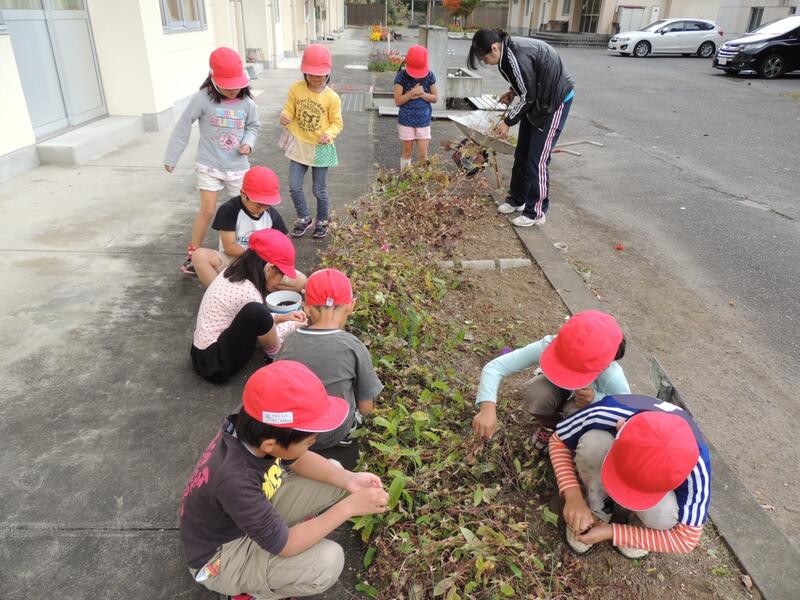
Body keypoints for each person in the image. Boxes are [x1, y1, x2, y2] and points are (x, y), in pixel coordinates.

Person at [180, 361, 390, 598]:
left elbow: (297, 459)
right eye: (309, 441)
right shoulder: (235, 478)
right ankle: (253, 591)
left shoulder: (256, 422)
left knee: (335, 473)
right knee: (327, 562)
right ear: (271, 445)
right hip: (221, 557)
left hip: (243, 516)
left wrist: (349, 479)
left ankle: (271, 537)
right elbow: (287, 545)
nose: (313, 444)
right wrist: (350, 507)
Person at [549, 395, 711, 558]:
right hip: (607, 444)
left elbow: (687, 539)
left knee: (666, 513)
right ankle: (595, 509)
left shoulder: (697, 464)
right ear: (621, 427)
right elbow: (558, 439)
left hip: (659, 500)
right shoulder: (609, 411)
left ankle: (641, 526)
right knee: (593, 443)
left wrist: (614, 532)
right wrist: (573, 497)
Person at [471, 310, 629, 453]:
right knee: (537, 392)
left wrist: (595, 398)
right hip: (556, 393)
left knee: (575, 412)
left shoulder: (610, 375)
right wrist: (487, 408)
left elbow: (625, 408)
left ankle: (570, 441)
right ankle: (550, 426)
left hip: (580, 407)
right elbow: (495, 368)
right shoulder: (550, 346)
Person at [164, 47, 259, 274]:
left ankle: (241, 253)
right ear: (214, 80)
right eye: (227, 87)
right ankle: (193, 255)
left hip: (237, 167)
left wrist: (248, 142)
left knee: (244, 212)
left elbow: (253, 126)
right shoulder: (203, 99)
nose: (233, 91)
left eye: (237, 86)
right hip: (210, 165)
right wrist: (172, 156)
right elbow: (183, 124)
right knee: (207, 211)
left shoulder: (247, 103)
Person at [467, 29, 574, 227]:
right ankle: (517, 199)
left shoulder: (515, 56)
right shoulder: (504, 57)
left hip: (554, 101)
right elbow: (526, 82)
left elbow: (529, 96)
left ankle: (536, 212)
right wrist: (512, 92)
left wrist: (508, 122)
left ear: (494, 47)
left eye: (484, 59)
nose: (485, 63)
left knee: (538, 160)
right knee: (522, 154)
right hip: (538, 100)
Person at [277, 269, 383, 450]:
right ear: (351, 305)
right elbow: (366, 407)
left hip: (293, 434)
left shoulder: (289, 341)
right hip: (333, 431)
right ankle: (347, 432)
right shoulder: (353, 345)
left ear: (306, 307)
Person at [191, 229, 305, 384]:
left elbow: (246, 319)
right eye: (282, 274)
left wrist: (281, 317)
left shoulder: (231, 273)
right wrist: (291, 326)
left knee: (258, 313)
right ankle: (274, 355)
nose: (282, 280)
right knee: (259, 312)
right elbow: (263, 325)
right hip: (217, 365)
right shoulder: (248, 292)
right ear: (270, 269)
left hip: (202, 354)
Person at [190, 166, 307, 292]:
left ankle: (253, 287)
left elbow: (284, 244)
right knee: (199, 256)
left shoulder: (272, 215)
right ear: (243, 194)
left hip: (264, 265)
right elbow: (230, 247)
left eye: (267, 205)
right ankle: (221, 293)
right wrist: (258, 257)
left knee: (301, 281)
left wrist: (272, 266)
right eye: (258, 205)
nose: (262, 208)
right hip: (233, 261)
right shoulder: (229, 210)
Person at [279, 44, 343, 240]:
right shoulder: (296, 89)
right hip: (299, 144)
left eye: (320, 75)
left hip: (321, 147)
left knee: (319, 189)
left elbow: (337, 122)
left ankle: (322, 220)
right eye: (311, 74)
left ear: (328, 73)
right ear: (304, 72)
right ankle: (304, 217)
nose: (316, 78)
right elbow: (290, 108)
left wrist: (329, 134)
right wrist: (285, 115)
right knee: (294, 186)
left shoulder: (332, 97)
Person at [393, 45, 438, 170]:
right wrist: (411, 93)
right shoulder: (401, 76)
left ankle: (421, 182)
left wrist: (422, 94)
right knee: (407, 150)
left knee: (423, 154)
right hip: (406, 121)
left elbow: (435, 98)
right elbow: (397, 101)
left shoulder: (430, 76)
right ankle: (405, 178)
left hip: (423, 120)